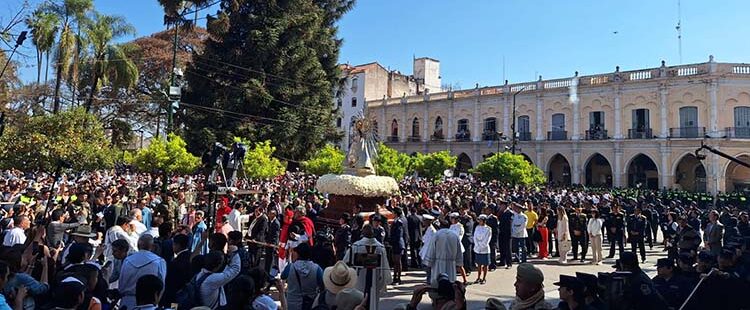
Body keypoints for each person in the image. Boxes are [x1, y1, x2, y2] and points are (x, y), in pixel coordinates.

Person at [343, 224, 391, 306]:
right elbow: (384, 266)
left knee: (359, 301)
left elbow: (345, 263)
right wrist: (383, 281)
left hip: (359, 279)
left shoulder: (356, 246)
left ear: (363, 234)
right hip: (375, 279)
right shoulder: (380, 247)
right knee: (372, 302)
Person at [118, 234, 167, 309]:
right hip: (148, 304)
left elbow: (121, 283)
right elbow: (161, 285)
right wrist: (156, 302)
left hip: (127, 302)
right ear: (152, 246)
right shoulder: (159, 261)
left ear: (138, 245)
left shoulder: (128, 260)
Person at [485, 263, 553, 310]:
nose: (515, 284)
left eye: (519, 281)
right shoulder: (519, 302)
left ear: (532, 287)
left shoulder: (541, 308)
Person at [282, 243, 323, 310]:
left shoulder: (290, 267)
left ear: (298, 254)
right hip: (310, 303)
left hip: (292, 304)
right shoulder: (317, 269)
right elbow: (322, 284)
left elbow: (283, 276)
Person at [161, 234, 192, 307]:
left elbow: (171, 286)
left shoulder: (175, 263)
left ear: (177, 245)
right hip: (189, 296)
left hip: (176, 296)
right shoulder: (192, 256)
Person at [390, 207, 408, 284]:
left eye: (393, 212)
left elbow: (399, 234)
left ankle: (398, 277)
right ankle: (395, 276)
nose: (392, 214)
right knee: (395, 261)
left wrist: (393, 241)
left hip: (398, 243)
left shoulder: (399, 222)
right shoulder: (395, 221)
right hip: (395, 243)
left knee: (398, 261)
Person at [473, 214, 491, 284]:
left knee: (485, 265)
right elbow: (475, 237)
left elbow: (487, 239)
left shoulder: (488, 229)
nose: (479, 221)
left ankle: (484, 278)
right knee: (479, 264)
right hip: (477, 248)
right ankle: (478, 277)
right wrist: (477, 245)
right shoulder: (477, 227)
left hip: (484, 249)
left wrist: (481, 245)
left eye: (480, 220)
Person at [498, 202, 514, 269]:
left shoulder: (510, 213)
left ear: (505, 205)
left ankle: (509, 263)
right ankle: (502, 261)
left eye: (502, 205)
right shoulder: (500, 212)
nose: (500, 206)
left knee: (508, 248)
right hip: (501, 232)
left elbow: (510, 223)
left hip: (507, 233)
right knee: (502, 247)